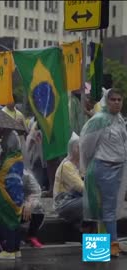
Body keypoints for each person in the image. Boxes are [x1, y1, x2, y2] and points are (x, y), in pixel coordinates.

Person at [80, 88, 127, 257]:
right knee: (106, 209)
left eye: (119, 99)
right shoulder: (99, 120)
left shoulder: (119, 120)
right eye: (113, 99)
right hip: (103, 167)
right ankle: (109, 246)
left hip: (118, 168)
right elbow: (86, 146)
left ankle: (99, 250)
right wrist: (88, 166)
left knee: (107, 209)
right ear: (106, 101)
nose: (116, 102)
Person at [0, 131, 24, 260]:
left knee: (8, 222)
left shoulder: (9, 161)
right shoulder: (17, 157)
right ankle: (15, 249)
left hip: (8, 196)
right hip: (17, 196)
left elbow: (5, 177)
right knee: (14, 222)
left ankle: (9, 250)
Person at [54, 132, 83, 226]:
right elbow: (81, 187)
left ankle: (92, 237)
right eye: (80, 147)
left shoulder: (78, 164)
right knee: (90, 202)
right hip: (63, 203)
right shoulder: (67, 165)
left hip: (73, 200)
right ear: (74, 149)